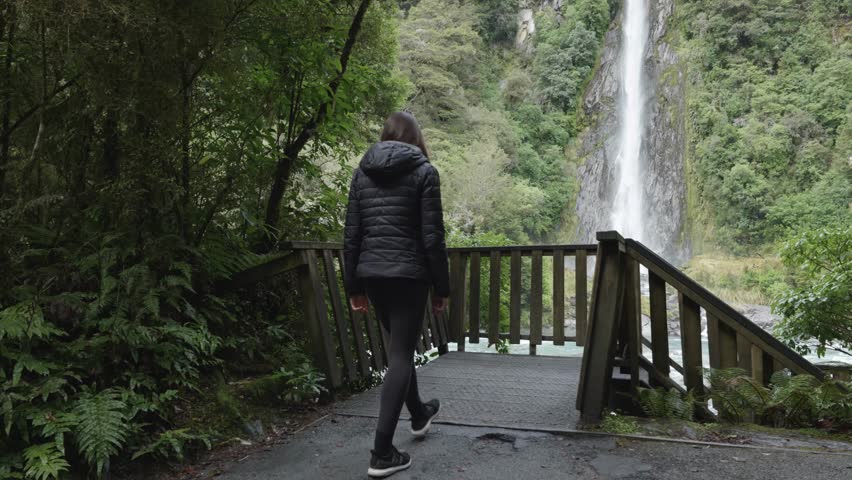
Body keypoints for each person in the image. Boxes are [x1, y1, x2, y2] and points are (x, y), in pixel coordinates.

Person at [343, 111, 451, 478]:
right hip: (409, 275)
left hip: (373, 275)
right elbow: (432, 238)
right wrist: (442, 287)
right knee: (402, 355)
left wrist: (353, 286)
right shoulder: (425, 173)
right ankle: (382, 452)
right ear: (416, 137)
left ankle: (419, 413)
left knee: (399, 350)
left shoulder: (362, 174)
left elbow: (352, 235)